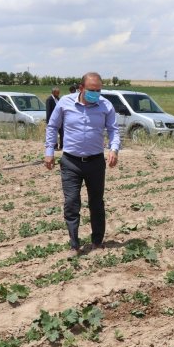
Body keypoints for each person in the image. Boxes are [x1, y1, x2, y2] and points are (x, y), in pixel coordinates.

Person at [44, 72, 120, 256]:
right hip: (71, 161)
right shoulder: (65, 103)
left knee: (96, 203)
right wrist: (49, 151)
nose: (96, 94)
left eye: (99, 90)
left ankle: (97, 242)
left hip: (95, 162)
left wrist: (114, 149)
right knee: (71, 203)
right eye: (92, 90)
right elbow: (53, 126)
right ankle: (74, 244)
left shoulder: (105, 106)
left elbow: (113, 129)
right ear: (81, 88)